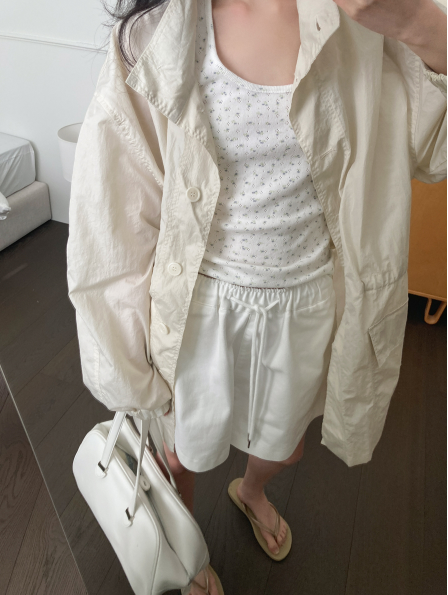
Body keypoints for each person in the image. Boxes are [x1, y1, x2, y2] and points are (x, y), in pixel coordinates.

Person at [67, 0, 447, 593]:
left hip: (306, 300)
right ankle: (186, 550)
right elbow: (112, 217)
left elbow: (434, 150)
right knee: (182, 451)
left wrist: (417, 23)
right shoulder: (158, 34)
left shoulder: (367, 25)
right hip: (198, 310)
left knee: (285, 446)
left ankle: (251, 490)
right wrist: (125, 359)